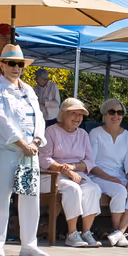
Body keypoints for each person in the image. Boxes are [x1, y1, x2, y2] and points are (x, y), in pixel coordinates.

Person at [0, 44, 48, 256]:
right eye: (12, 63)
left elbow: (38, 116)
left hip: (31, 151)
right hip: (6, 149)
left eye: (19, 64)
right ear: (2, 65)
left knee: (30, 196)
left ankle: (29, 243)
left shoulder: (28, 89)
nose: (16, 68)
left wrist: (37, 140)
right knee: (1, 195)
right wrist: (21, 143)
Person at [45, 97, 105, 247]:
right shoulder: (51, 131)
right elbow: (44, 158)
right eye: (74, 114)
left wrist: (73, 168)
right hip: (54, 175)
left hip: (78, 174)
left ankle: (86, 232)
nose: (78, 118)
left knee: (93, 189)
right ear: (63, 114)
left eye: (80, 115)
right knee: (73, 189)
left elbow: (90, 161)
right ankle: (72, 234)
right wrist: (62, 168)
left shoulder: (83, 134)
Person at [87, 98, 128, 247]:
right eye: (112, 112)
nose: (116, 116)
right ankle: (117, 231)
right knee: (119, 191)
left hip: (118, 176)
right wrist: (109, 178)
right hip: (97, 176)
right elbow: (91, 163)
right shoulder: (95, 133)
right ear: (105, 114)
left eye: (120, 112)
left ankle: (119, 233)